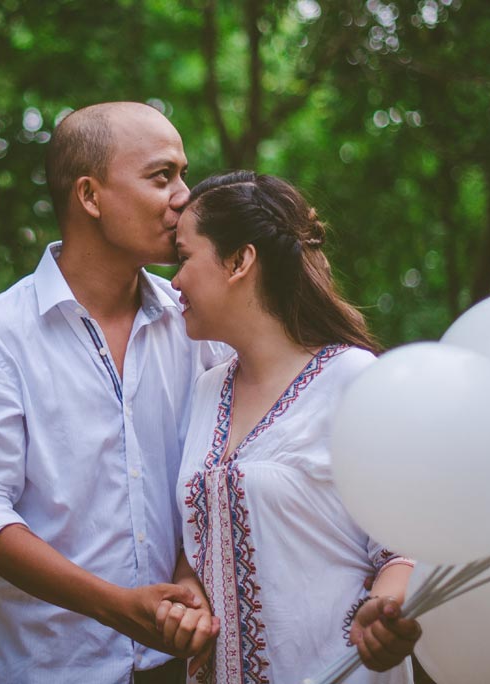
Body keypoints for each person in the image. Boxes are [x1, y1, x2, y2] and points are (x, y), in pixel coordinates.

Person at [0, 102, 223, 683]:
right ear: (90, 195)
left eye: (184, 174)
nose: (185, 196)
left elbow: (213, 471)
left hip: (187, 668)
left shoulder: (199, 328)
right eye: (163, 177)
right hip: (54, 668)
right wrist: (116, 605)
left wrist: (190, 572)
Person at [158, 171, 421, 683]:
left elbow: (404, 548)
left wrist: (386, 614)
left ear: (239, 261)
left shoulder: (353, 379)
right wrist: (187, 588)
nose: (174, 281)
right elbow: (203, 536)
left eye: (185, 258)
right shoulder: (207, 390)